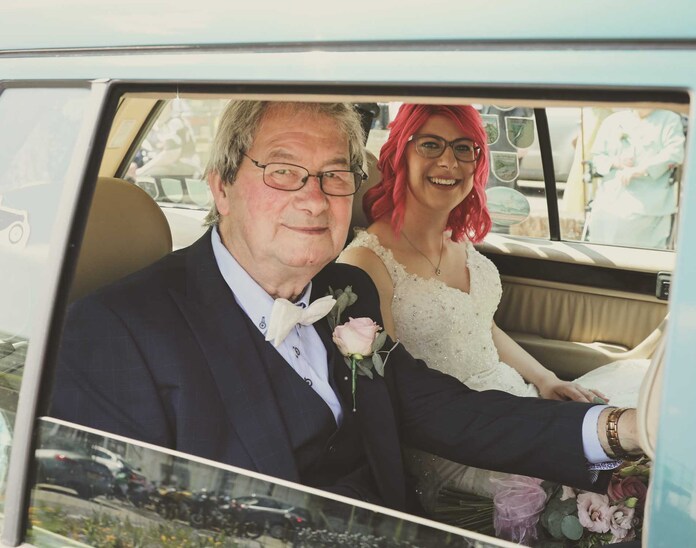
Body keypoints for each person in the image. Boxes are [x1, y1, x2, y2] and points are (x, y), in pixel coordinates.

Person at [52, 100, 642, 516]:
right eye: (284, 171)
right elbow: (115, 523)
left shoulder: (341, 288)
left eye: (335, 175)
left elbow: (443, 409)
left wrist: (621, 429)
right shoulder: (112, 334)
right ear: (222, 187)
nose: (314, 198)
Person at [337, 104, 650, 526]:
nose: (448, 161)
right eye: (430, 144)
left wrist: (544, 379)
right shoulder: (367, 262)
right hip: (452, 440)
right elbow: (392, 390)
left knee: (638, 406)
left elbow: (481, 325)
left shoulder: (458, 244)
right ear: (399, 155)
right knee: (618, 491)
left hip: (512, 403)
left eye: (464, 148)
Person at [585, 108, 685, 249]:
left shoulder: (669, 119)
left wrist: (642, 169)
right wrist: (616, 162)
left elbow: (675, 153)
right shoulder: (613, 121)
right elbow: (597, 157)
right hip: (609, 197)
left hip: (648, 199)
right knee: (599, 226)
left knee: (627, 232)